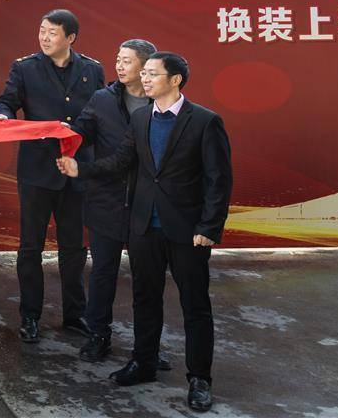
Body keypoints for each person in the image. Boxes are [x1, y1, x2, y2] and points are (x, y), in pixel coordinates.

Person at [58, 52, 233, 413]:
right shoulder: (140, 119)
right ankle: (144, 362)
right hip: (143, 227)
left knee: (195, 306)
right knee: (145, 298)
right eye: (146, 73)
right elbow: (121, 161)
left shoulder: (204, 121)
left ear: (175, 80)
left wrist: (209, 227)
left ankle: (199, 379)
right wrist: (82, 170)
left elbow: (219, 180)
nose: (145, 79)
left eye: (153, 74)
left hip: (188, 231)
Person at [0, 9, 104, 343]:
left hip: (76, 170)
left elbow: (100, 114)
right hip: (37, 171)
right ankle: (30, 316)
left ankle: (75, 314)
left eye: (52, 32)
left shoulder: (92, 70)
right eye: (42, 30)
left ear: (70, 37)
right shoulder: (25, 68)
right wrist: (2, 116)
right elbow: (6, 102)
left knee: (74, 248)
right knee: (30, 247)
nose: (44, 37)